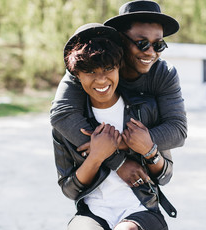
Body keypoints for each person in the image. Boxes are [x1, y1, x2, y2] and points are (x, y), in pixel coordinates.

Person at [53, 23, 175, 230]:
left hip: (142, 210)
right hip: (92, 214)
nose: (101, 79)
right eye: (90, 72)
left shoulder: (145, 111)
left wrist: (148, 150)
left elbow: (165, 175)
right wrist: (98, 156)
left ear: (119, 66)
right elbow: (69, 190)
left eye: (108, 69)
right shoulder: (70, 123)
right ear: (76, 75)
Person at [50, 0, 187, 187]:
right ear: (121, 41)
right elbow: (62, 114)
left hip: (151, 174)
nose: (151, 52)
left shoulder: (164, 73)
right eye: (142, 43)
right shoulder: (92, 63)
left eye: (159, 45)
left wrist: (121, 143)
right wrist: (117, 161)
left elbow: (178, 130)